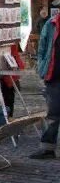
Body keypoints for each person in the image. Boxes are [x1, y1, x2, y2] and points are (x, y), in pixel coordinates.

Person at [31, 9, 60, 159]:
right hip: (54, 76)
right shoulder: (51, 23)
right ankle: (47, 148)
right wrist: (42, 67)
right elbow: (42, 48)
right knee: (53, 114)